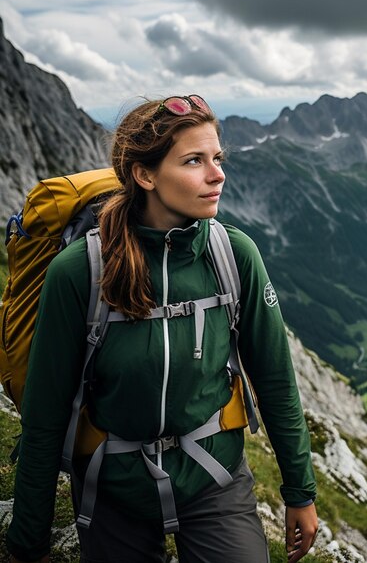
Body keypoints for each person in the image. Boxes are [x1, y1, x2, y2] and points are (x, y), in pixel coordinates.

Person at [7, 95, 318, 563]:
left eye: (217, 158)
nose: (218, 175)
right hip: (113, 485)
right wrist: (27, 543)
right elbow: (45, 415)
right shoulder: (79, 270)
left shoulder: (235, 255)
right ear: (145, 174)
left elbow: (276, 380)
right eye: (194, 161)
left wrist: (301, 492)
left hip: (214, 477)